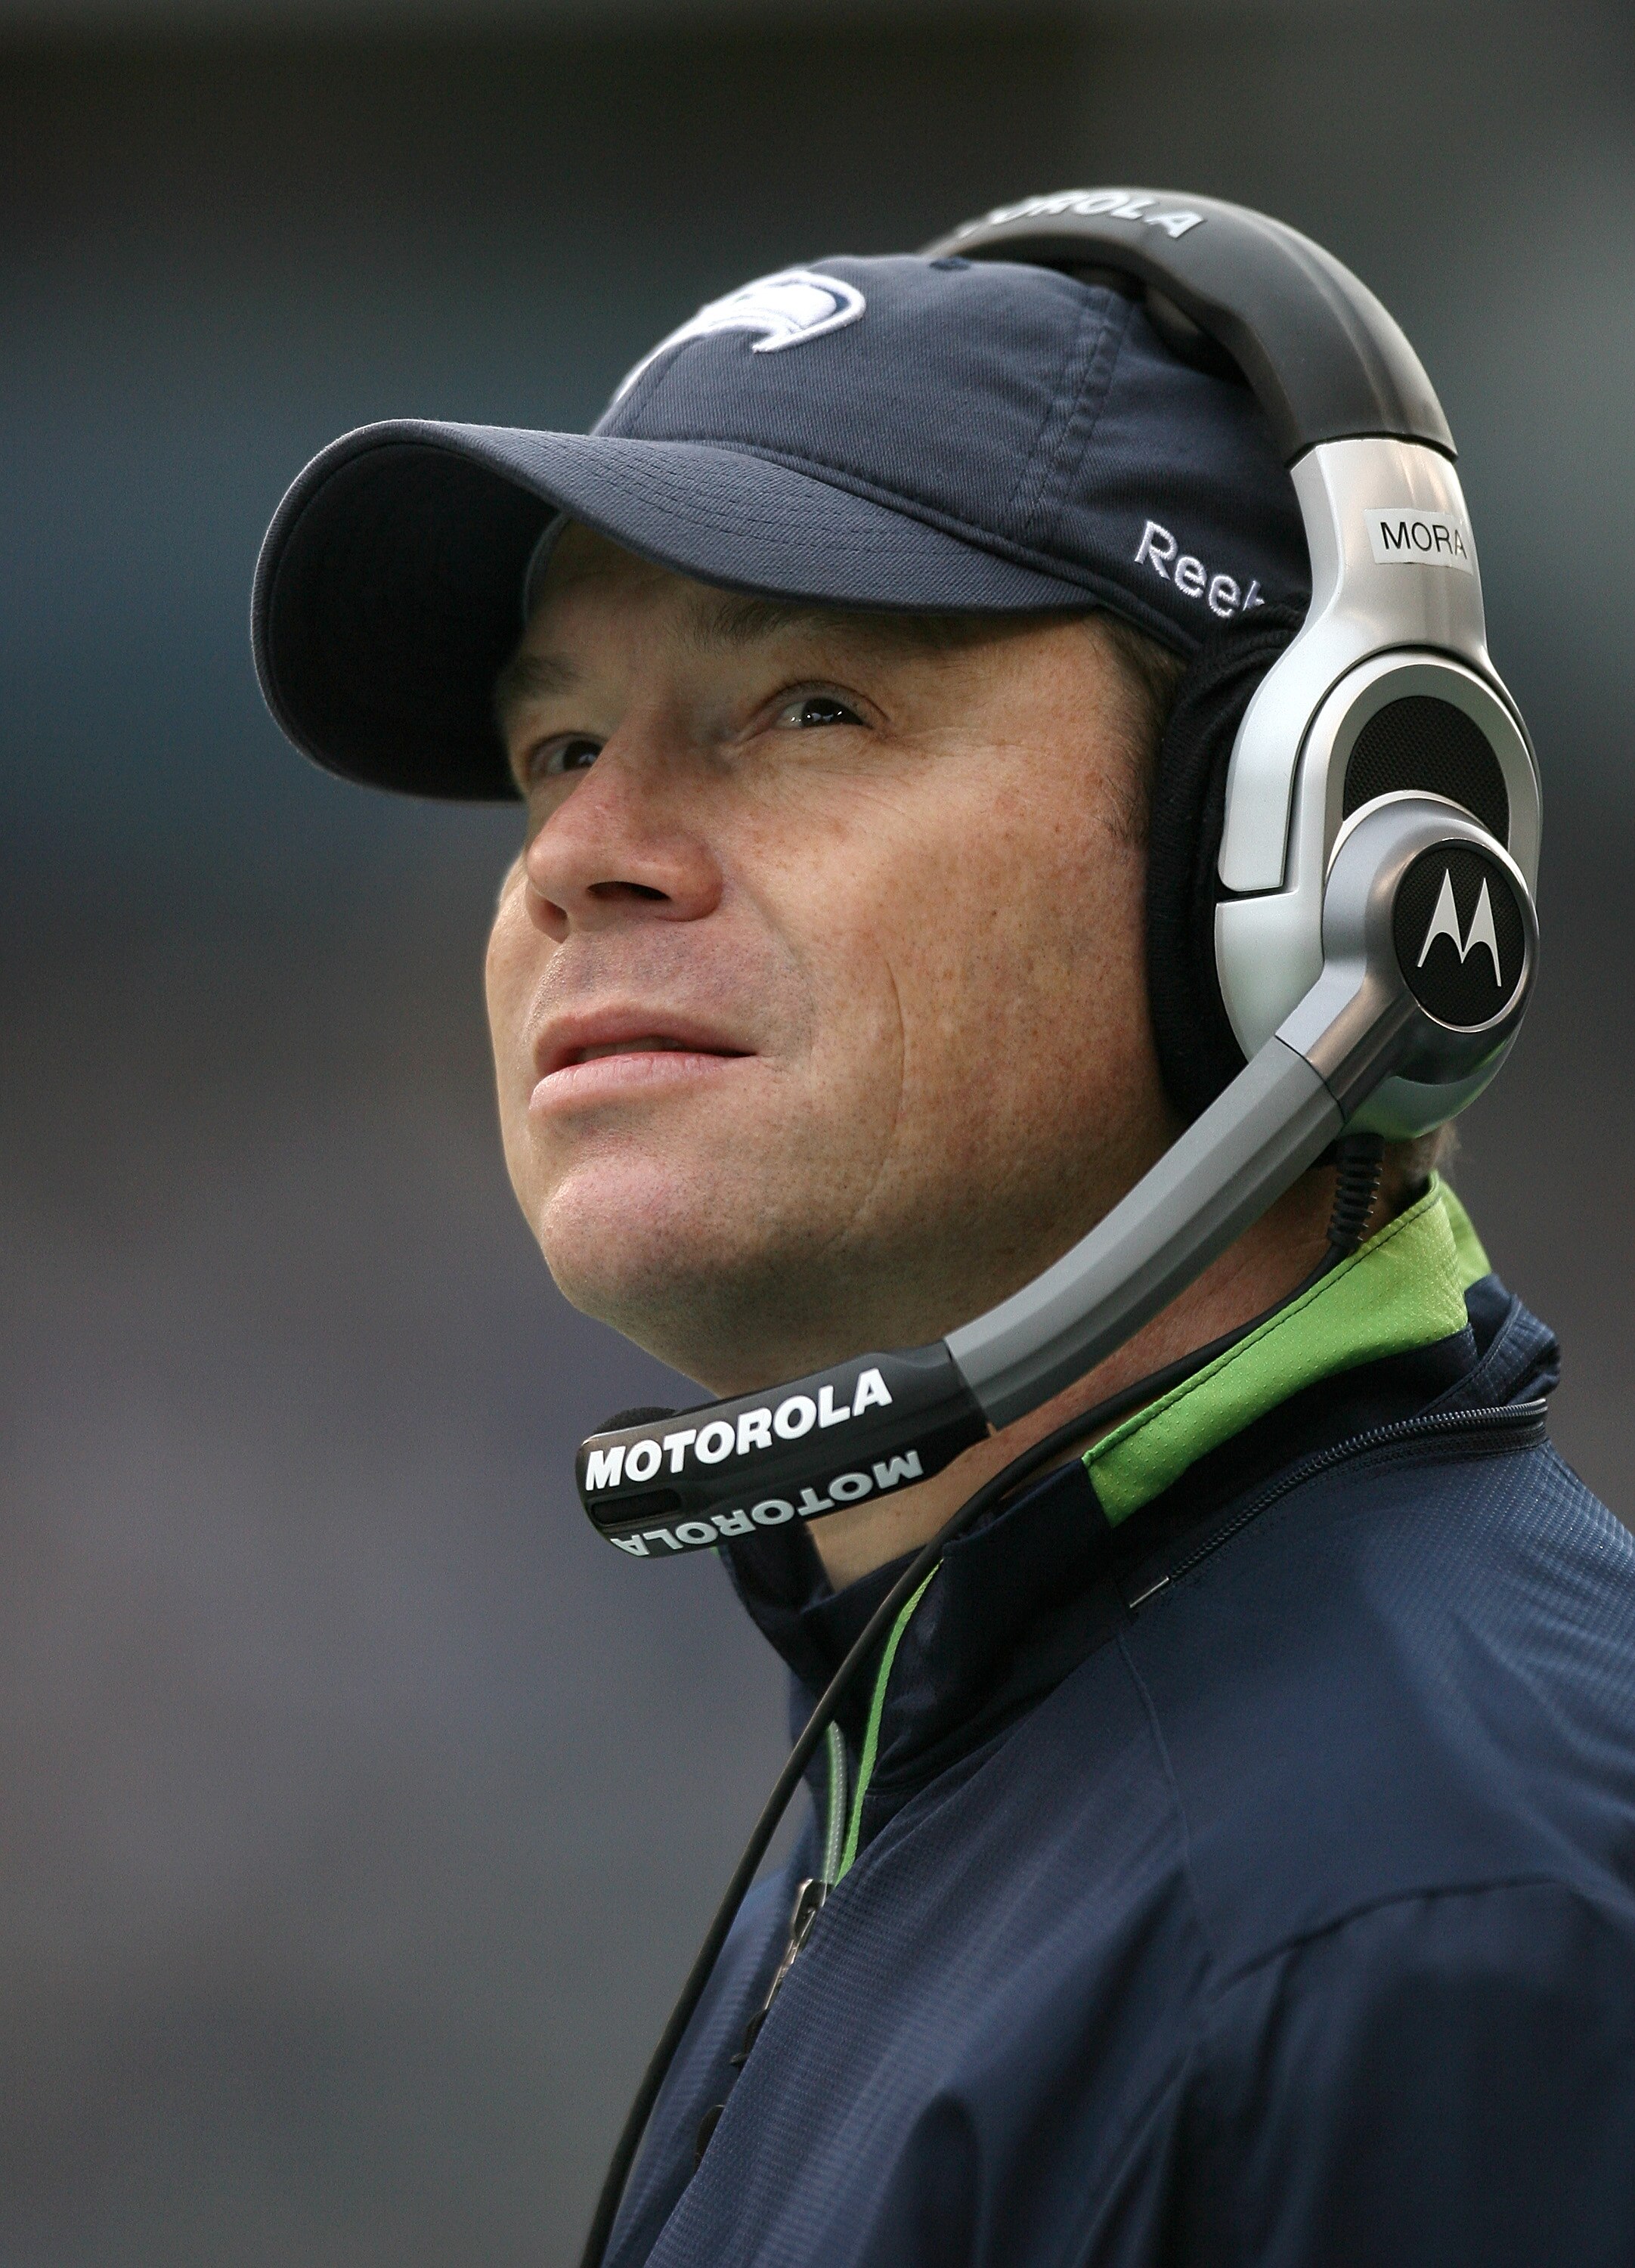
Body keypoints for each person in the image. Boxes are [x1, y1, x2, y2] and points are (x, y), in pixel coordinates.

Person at [252, 223, 1635, 2266]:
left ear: (1305, 851)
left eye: (809, 706)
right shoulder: (959, 1746)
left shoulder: (1434, 1919)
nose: (576, 857)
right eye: (559, 751)